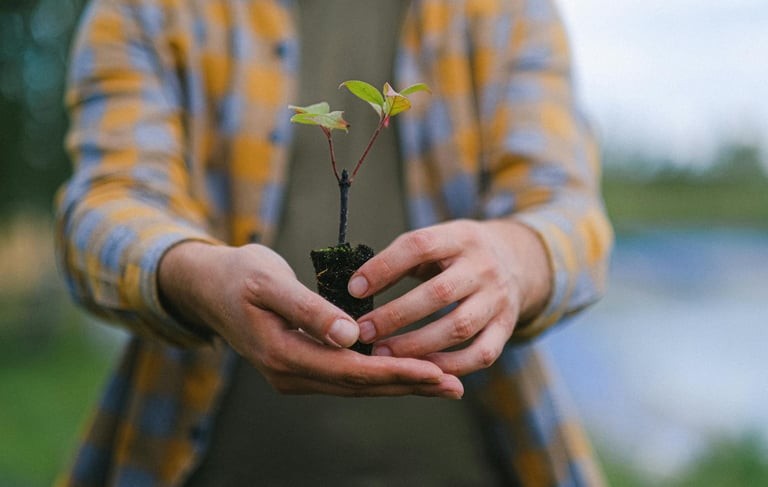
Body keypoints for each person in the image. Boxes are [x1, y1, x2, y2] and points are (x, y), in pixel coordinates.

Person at [55, 0, 613, 485]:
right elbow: (106, 205)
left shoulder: (504, 10)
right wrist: (194, 275)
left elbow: (570, 211)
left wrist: (514, 257)